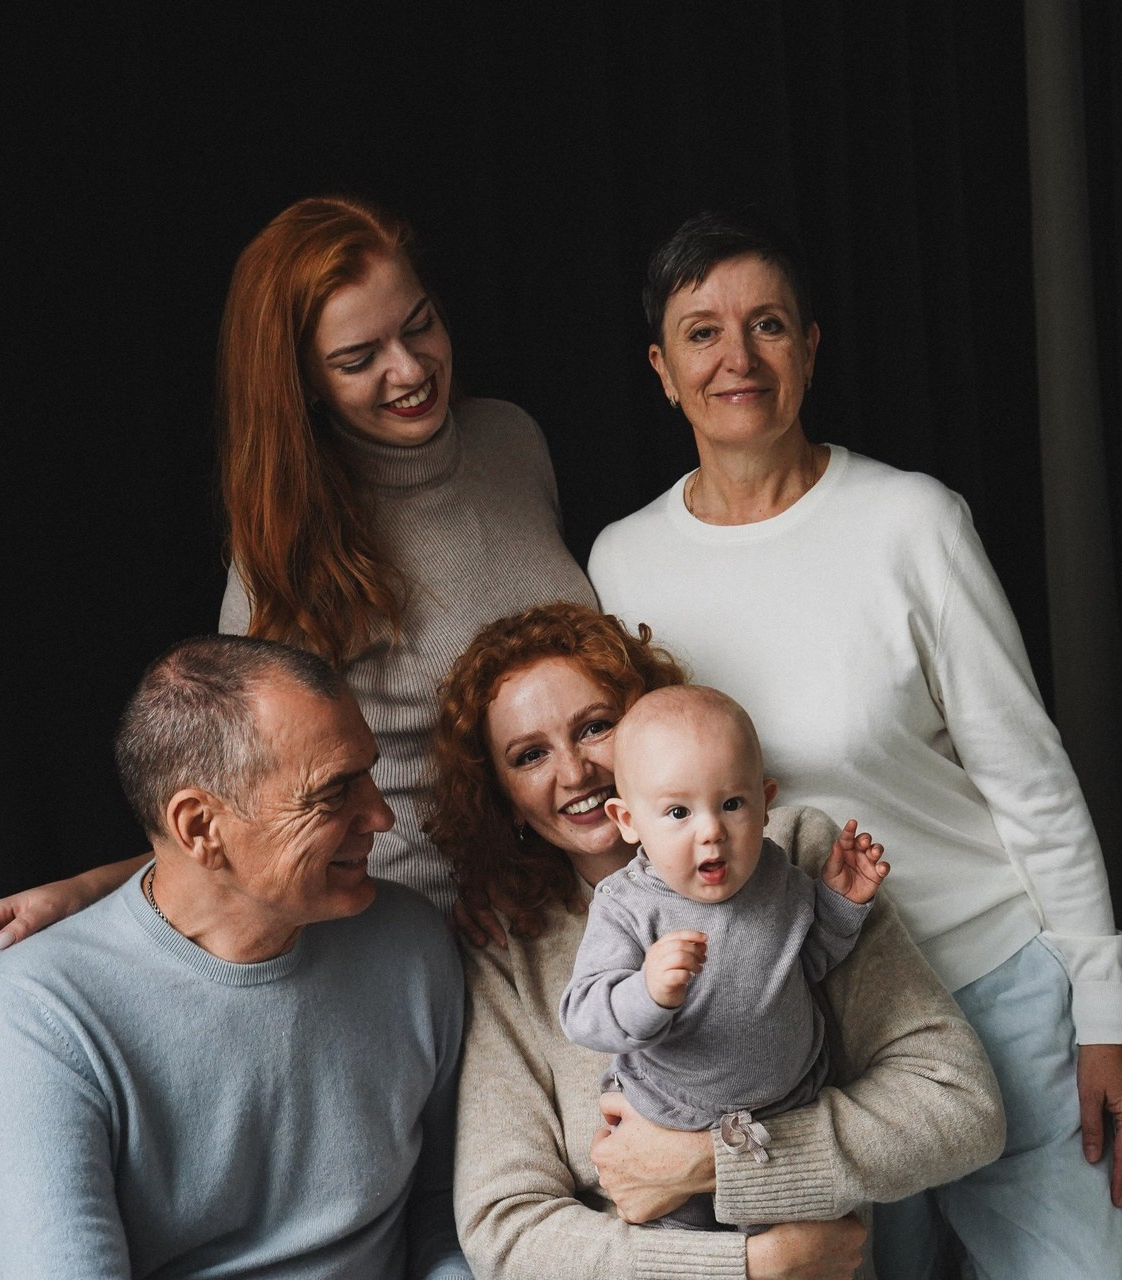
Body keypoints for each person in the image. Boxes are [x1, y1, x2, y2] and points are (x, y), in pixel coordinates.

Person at [588, 206, 1122, 1277]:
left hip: (982, 978)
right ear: (660, 367)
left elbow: (1028, 777)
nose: (736, 357)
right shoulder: (621, 563)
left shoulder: (912, 522)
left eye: (768, 325)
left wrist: (1104, 1005)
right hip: (794, 1024)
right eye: (701, 331)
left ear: (810, 347)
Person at [0, 194, 593, 1009]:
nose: (411, 369)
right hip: (434, 941)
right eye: (360, 359)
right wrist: (89, 892)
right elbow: (246, 809)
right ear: (306, 384)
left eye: (420, 325)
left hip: (580, 890)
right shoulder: (291, 551)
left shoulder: (512, 441)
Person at [424, 601, 1004, 1280]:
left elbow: (961, 1107)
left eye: (596, 727)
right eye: (529, 756)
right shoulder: (505, 943)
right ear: (502, 795)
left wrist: (713, 1164)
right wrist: (749, 1265)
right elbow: (508, 1231)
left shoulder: (794, 856)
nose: (576, 771)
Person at [0, 634, 471, 1280]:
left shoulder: (410, 942)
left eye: (367, 772)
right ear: (200, 828)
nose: (382, 815)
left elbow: (445, 1210)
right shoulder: (38, 1013)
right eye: (334, 793)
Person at [560, 685, 888, 1232]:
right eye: (678, 812)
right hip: (669, 1128)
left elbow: (802, 965)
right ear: (627, 819)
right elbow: (583, 1013)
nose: (711, 830)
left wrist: (838, 905)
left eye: (731, 804)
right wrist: (646, 992)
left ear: (765, 804)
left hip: (787, 1119)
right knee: (696, 1255)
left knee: (820, 1256)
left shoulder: (777, 876)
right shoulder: (627, 906)